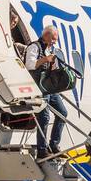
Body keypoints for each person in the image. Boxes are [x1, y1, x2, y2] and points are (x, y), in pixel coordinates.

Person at [25, 25, 65, 159]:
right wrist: (45, 59)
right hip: (39, 88)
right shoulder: (34, 46)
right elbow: (29, 65)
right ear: (46, 35)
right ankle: (42, 150)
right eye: (53, 39)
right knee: (44, 117)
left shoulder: (50, 49)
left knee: (62, 113)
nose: (55, 42)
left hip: (50, 87)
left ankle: (54, 145)